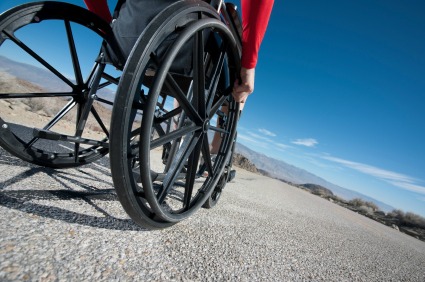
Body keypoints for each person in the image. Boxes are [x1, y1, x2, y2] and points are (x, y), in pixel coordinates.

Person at [83, 0, 274, 104]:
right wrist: (249, 65)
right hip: (180, 56)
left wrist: (106, 27)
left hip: (126, 39)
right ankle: (216, 150)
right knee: (238, 83)